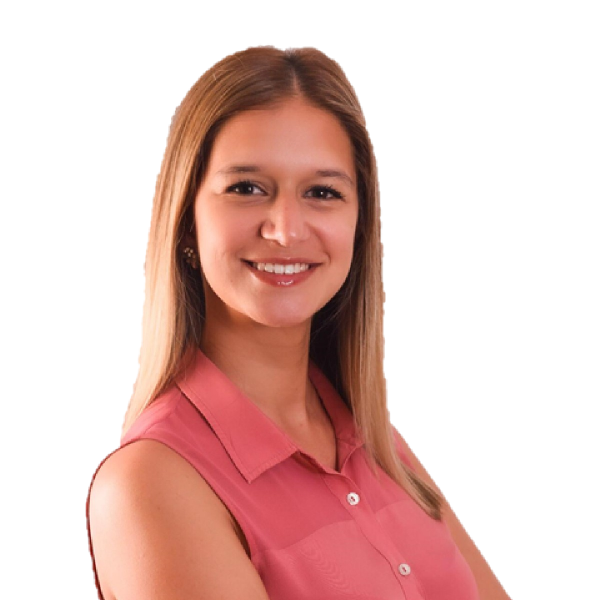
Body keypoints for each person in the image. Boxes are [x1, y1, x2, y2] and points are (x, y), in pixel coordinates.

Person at [86, 45, 511, 600]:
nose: (286, 229)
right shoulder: (152, 484)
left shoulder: (378, 442)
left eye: (322, 192)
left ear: (359, 226)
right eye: (246, 188)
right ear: (187, 221)